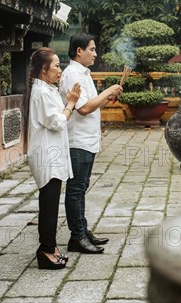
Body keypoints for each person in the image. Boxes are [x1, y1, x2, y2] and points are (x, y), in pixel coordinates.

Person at [59, 32, 123, 254]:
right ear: (79, 51)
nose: (95, 54)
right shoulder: (71, 75)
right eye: (92, 49)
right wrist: (107, 90)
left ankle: (83, 231)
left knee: (81, 188)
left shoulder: (84, 74)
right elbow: (84, 109)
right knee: (76, 189)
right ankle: (77, 237)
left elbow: (92, 106)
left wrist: (107, 98)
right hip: (77, 140)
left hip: (87, 139)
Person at [26, 47, 81, 270]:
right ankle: (45, 250)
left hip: (52, 155)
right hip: (46, 157)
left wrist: (68, 102)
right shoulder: (41, 92)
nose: (60, 70)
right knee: (48, 205)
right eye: (57, 65)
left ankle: (51, 247)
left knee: (50, 204)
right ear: (44, 69)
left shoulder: (46, 90)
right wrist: (70, 103)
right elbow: (57, 122)